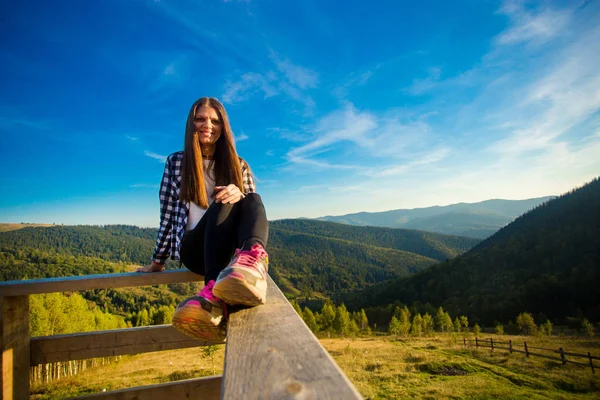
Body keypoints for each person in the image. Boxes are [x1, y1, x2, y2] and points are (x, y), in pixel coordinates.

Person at [137, 97, 269, 343]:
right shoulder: (176, 162)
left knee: (251, 198)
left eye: (215, 120)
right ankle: (213, 293)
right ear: (191, 124)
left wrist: (238, 194)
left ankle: (252, 263)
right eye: (200, 119)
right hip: (195, 249)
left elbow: (251, 214)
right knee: (223, 199)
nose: (207, 125)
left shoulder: (239, 165)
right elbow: (166, 217)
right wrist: (157, 262)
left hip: (228, 254)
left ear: (223, 127)